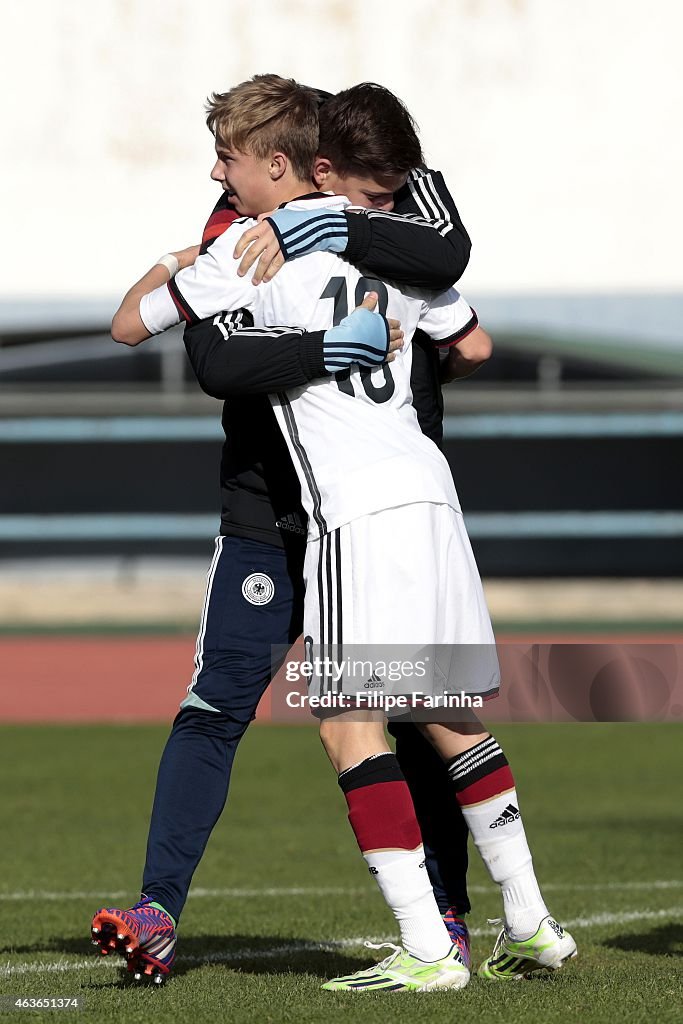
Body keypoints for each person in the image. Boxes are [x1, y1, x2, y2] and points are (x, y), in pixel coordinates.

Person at [99, 76, 576, 992]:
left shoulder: (245, 251)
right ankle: (529, 922)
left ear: (281, 166)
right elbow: (467, 338)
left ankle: (431, 945)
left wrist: (179, 264)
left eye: (228, 159)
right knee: (440, 713)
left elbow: (134, 327)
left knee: (347, 715)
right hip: (426, 492)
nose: (214, 172)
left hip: (347, 514)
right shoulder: (404, 252)